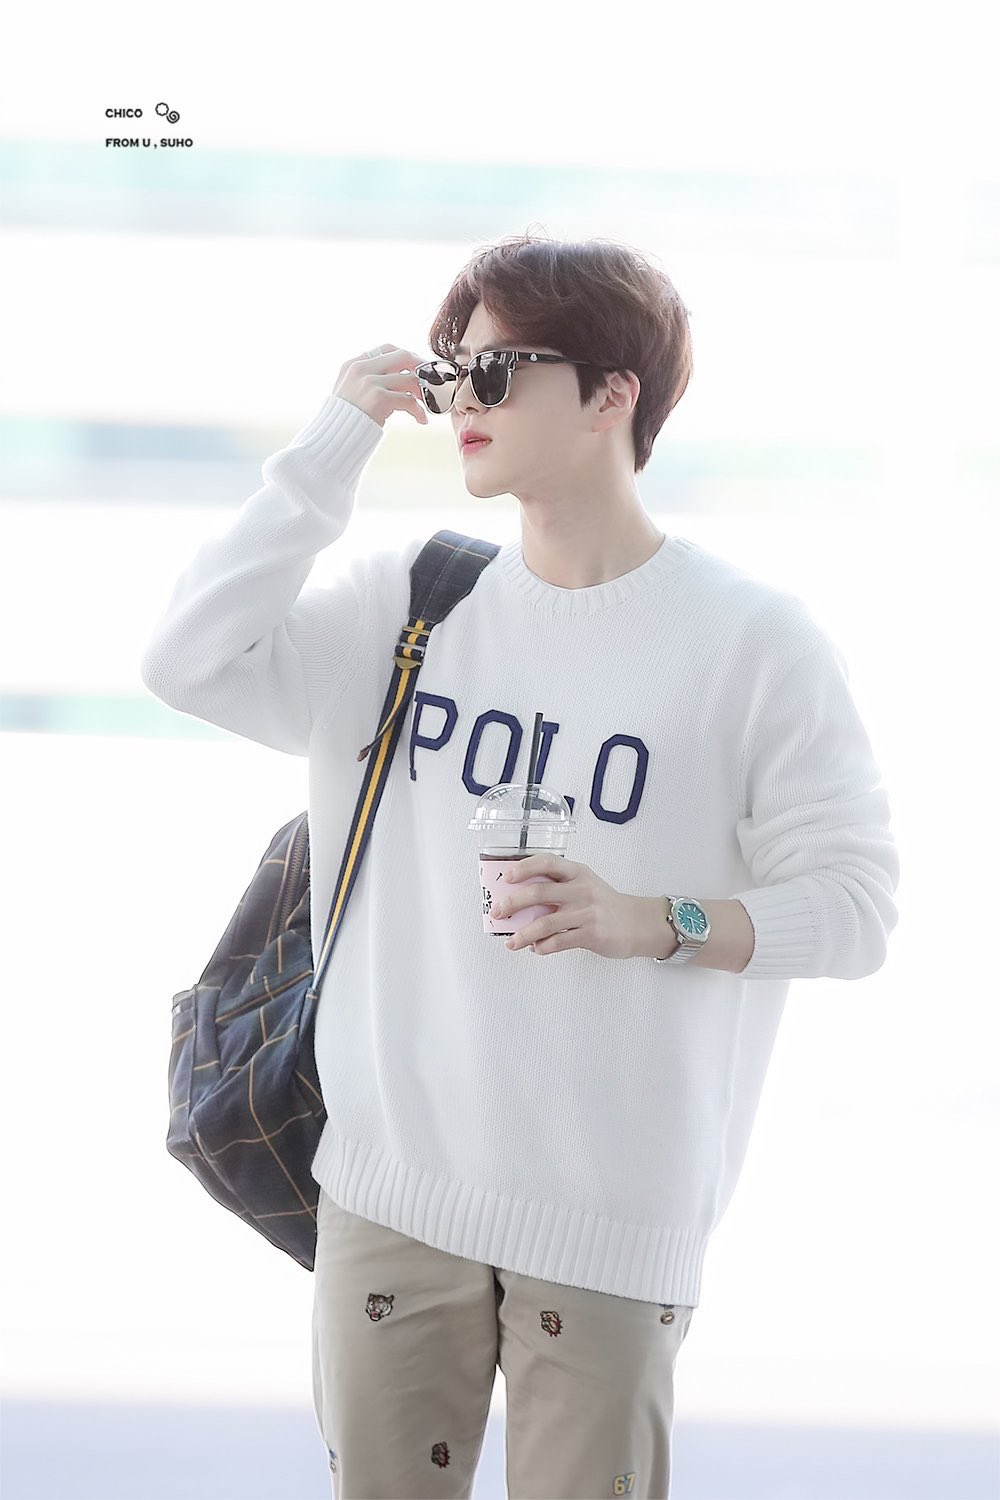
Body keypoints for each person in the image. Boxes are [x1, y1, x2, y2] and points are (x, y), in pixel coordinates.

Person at [140, 232, 900, 1499]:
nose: (459, 402)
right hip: (388, 1194)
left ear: (611, 396)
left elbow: (856, 908)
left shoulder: (750, 643)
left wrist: (647, 918)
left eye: (494, 373)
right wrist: (330, 447)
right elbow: (186, 660)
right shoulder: (410, 603)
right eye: (450, 371)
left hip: (609, 1226)